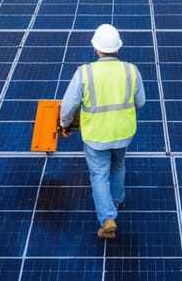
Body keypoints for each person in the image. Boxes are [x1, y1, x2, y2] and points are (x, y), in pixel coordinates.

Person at [59, 24, 145, 239]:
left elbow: (68, 106)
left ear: (96, 49)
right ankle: (115, 200)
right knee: (118, 166)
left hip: (96, 135)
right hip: (123, 133)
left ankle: (107, 217)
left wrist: (65, 124)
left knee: (99, 175)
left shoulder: (84, 72)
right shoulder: (130, 70)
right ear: (118, 48)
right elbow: (140, 102)